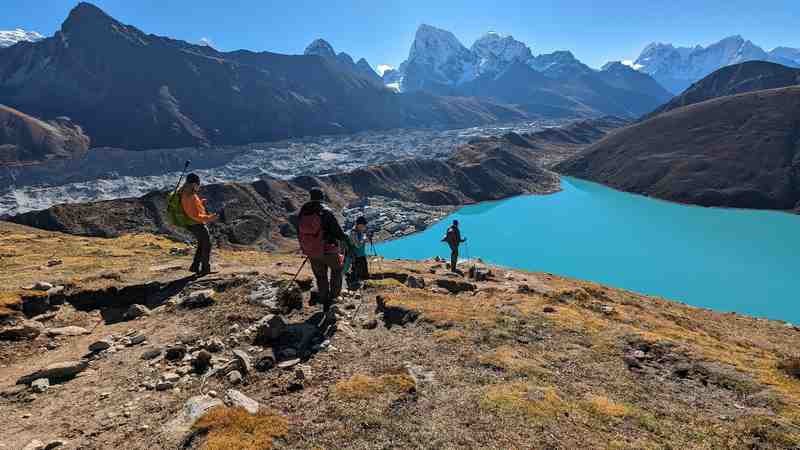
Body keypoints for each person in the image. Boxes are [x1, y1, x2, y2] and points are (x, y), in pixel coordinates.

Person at [297, 188, 349, 309]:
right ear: (322, 197)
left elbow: (299, 232)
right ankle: (334, 297)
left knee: (321, 276)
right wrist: (345, 239)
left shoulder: (303, 212)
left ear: (310, 197)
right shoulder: (326, 211)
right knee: (336, 270)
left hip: (312, 251)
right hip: (328, 249)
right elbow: (337, 231)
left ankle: (323, 298)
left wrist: (307, 246)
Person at [180, 173, 218, 275]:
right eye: (198, 184)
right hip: (196, 224)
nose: (199, 186)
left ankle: (195, 266)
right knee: (207, 245)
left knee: (202, 244)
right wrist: (211, 218)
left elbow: (192, 207)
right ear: (193, 184)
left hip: (191, 223)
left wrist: (200, 202)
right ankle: (205, 269)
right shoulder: (190, 195)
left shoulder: (187, 192)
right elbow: (194, 215)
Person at [347, 216, 370, 287]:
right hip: (356, 255)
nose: (364, 227)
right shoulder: (353, 232)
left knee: (364, 272)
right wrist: (364, 239)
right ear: (359, 224)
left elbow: (363, 241)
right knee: (356, 270)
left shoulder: (360, 230)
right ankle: (353, 284)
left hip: (361, 254)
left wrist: (366, 238)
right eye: (363, 225)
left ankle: (363, 284)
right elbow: (358, 245)